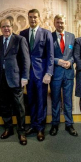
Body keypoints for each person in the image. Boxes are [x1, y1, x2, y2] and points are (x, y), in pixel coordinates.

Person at [0, 18, 30, 145]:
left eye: (8, 26)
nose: (6, 28)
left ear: (12, 26)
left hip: (16, 79)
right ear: (0, 28)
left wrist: (25, 77)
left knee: (19, 107)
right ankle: (8, 128)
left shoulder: (20, 39)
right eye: (3, 27)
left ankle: (21, 132)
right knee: (4, 106)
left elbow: (26, 60)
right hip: (2, 79)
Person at [20, 9, 53, 141]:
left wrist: (49, 73)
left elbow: (50, 55)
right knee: (31, 101)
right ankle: (33, 125)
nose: (33, 19)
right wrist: (23, 74)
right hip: (28, 74)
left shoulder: (46, 33)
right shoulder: (23, 34)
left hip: (42, 74)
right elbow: (21, 55)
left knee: (41, 102)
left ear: (39, 18)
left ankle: (40, 128)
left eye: (35, 17)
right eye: (30, 17)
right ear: (28, 18)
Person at [50, 15, 77, 137]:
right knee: (55, 100)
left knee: (68, 100)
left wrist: (70, 62)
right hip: (55, 74)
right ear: (54, 23)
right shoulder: (49, 36)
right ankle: (55, 124)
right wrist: (58, 61)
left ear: (65, 23)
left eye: (62, 22)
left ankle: (69, 124)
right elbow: (48, 55)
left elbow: (74, 55)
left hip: (68, 73)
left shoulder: (71, 36)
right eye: (58, 22)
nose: (60, 24)